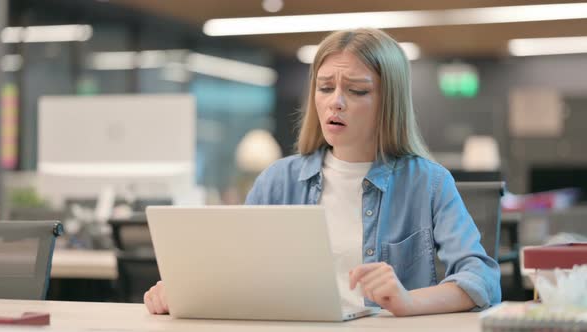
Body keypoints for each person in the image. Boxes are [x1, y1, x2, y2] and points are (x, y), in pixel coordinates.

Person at [144, 28, 501, 316]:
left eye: (357, 90)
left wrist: (408, 301)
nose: (336, 102)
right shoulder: (277, 181)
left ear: (388, 102)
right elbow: (233, 274)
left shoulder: (428, 182)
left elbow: (482, 278)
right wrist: (183, 290)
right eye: (325, 87)